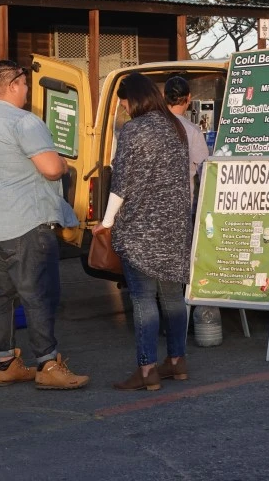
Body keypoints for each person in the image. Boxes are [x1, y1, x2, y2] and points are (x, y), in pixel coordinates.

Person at [0, 59, 89, 390]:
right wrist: (63, 164)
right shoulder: (24, 121)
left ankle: (6, 363)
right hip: (25, 222)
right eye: (24, 85)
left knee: (1, 297)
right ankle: (48, 364)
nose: (27, 91)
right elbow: (51, 168)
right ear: (12, 85)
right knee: (38, 295)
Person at [93, 73, 192, 391]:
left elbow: (121, 183)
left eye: (124, 101)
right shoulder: (175, 127)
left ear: (134, 98)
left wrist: (107, 222)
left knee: (143, 298)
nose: (123, 107)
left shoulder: (133, 130)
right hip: (175, 228)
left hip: (141, 230)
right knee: (173, 297)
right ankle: (176, 362)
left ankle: (147, 369)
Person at [164, 76, 210, 207]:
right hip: (182, 207)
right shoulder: (193, 131)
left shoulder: (150, 126)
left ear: (164, 96)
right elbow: (204, 172)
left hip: (150, 207)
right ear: (189, 97)